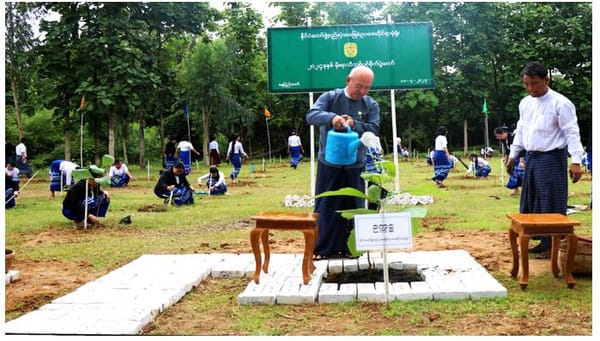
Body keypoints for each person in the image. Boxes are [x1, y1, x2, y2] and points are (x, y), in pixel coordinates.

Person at [506, 61, 585, 259]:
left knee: (551, 200)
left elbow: (572, 133)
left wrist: (576, 161)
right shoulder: (525, 103)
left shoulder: (561, 103)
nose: (531, 88)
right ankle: (542, 241)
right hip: (531, 157)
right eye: (526, 84)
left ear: (546, 80)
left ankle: (554, 245)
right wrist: (513, 154)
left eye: (535, 83)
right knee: (533, 200)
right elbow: (521, 129)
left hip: (552, 158)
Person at [306, 65, 380, 260]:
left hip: (356, 164)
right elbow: (311, 115)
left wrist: (355, 124)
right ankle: (321, 249)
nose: (362, 91)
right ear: (348, 80)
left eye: (367, 87)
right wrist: (332, 118)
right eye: (359, 86)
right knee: (326, 204)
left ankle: (352, 247)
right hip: (329, 163)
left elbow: (374, 128)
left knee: (354, 204)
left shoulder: (370, 104)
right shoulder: (330, 97)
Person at [495, 125, 525, 196]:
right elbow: (508, 150)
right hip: (513, 157)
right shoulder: (504, 140)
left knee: (521, 173)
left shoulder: (513, 137)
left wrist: (521, 161)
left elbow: (521, 149)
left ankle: (526, 190)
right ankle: (516, 189)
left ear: (504, 133)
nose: (498, 138)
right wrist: (506, 159)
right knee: (512, 172)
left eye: (499, 136)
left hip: (522, 156)